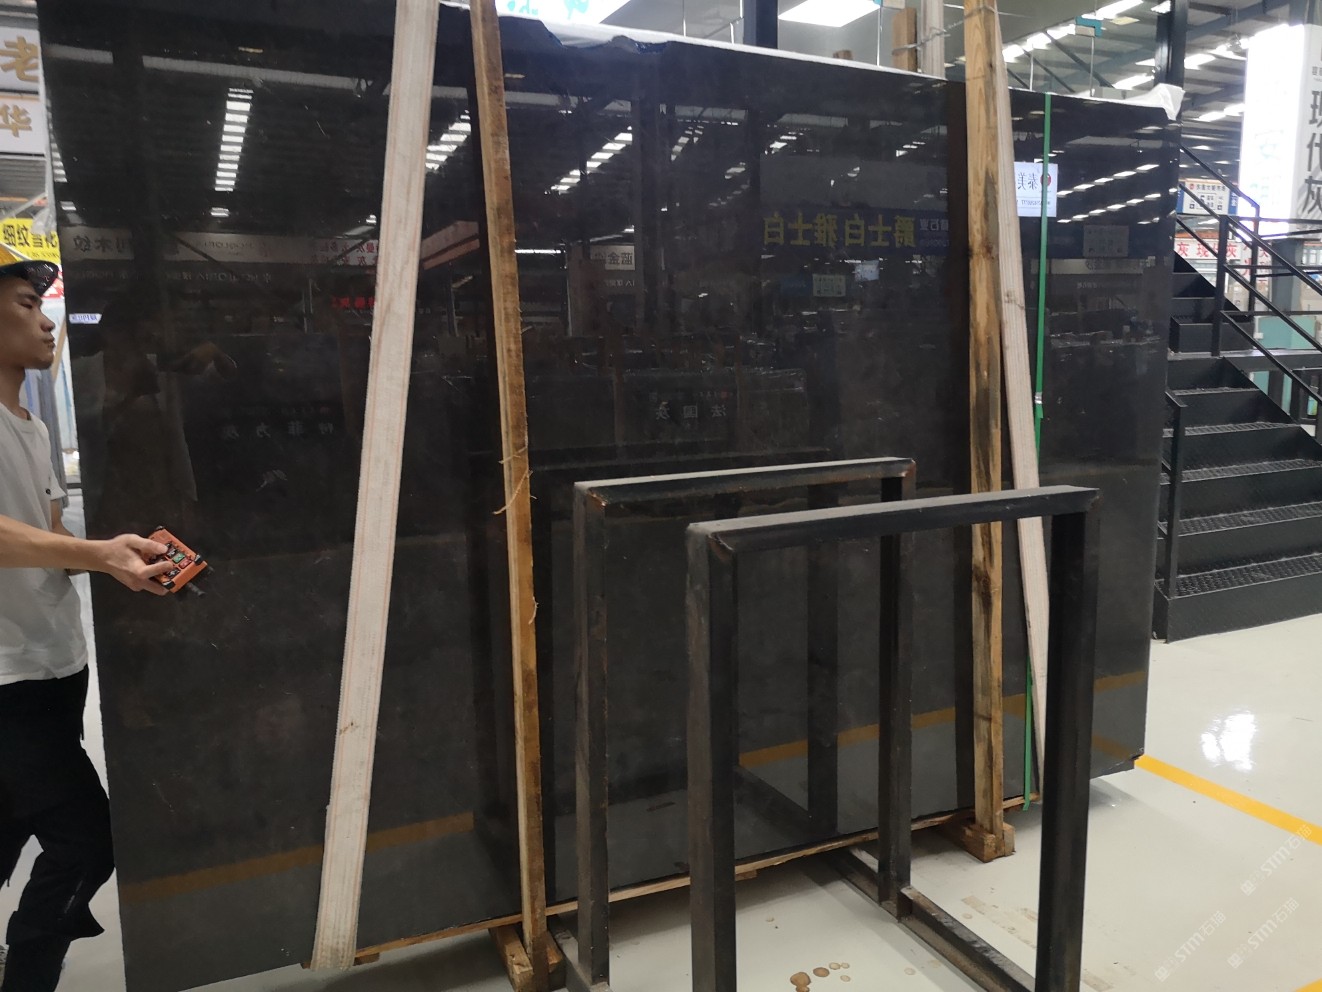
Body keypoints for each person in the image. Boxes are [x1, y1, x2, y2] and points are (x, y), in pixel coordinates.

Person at [0, 247, 173, 992]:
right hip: (7, 679)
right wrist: (94, 552)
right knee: (85, 843)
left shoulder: (31, 426)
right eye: (24, 305)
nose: (46, 323)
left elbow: (41, 545)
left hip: (54, 665)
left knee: (10, 825)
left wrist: (115, 560)